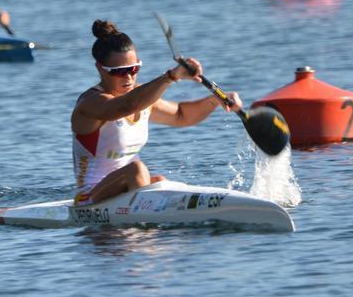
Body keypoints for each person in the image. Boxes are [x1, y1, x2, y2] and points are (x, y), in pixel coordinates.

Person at [71, 19, 242, 206]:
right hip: (89, 200)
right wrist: (171, 77)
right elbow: (125, 107)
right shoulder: (90, 103)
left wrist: (215, 100)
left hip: (126, 191)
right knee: (136, 170)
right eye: (118, 72)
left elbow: (181, 115)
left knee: (159, 181)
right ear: (99, 68)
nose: (128, 77)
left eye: (133, 69)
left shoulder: (143, 97)